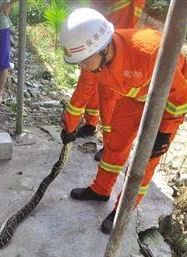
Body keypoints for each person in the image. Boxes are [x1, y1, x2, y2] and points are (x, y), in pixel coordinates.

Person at [59, 8, 187, 234]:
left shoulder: (150, 54)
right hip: (134, 96)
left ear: (102, 49)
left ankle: (123, 210)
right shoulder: (93, 60)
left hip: (163, 103)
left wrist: (165, 133)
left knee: (144, 162)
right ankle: (101, 190)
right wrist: (69, 127)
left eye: (83, 62)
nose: (81, 67)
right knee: (116, 144)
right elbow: (82, 93)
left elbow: (179, 97)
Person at [77, 0, 146, 162]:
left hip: (116, 33)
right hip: (99, 18)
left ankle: (109, 143)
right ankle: (90, 123)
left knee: (109, 94)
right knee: (90, 76)